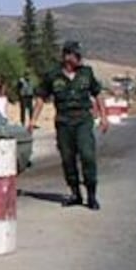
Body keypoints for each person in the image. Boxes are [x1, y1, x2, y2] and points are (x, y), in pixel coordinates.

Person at [27, 41, 109, 210]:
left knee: (87, 155)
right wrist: (33, 120)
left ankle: (92, 195)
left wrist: (103, 117)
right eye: (76, 55)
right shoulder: (53, 75)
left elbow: (98, 94)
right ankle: (75, 193)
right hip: (64, 122)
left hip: (83, 120)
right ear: (67, 56)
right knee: (67, 158)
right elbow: (41, 97)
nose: (79, 58)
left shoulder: (86, 73)